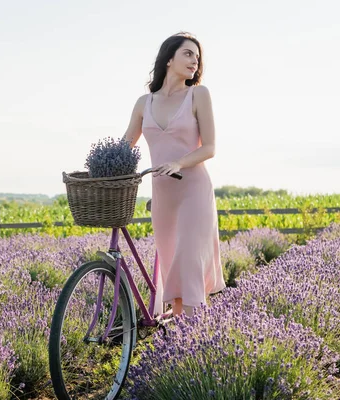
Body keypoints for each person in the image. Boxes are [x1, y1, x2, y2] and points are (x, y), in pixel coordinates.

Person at [122, 32, 226, 317]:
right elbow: (125, 147)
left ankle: (193, 340)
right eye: (188, 53)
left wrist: (180, 163)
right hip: (163, 197)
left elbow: (210, 148)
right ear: (169, 59)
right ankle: (184, 337)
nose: (195, 61)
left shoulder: (198, 94)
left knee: (190, 262)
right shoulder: (145, 103)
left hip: (193, 191)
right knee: (172, 267)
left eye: (197, 56)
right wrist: (103, 167)